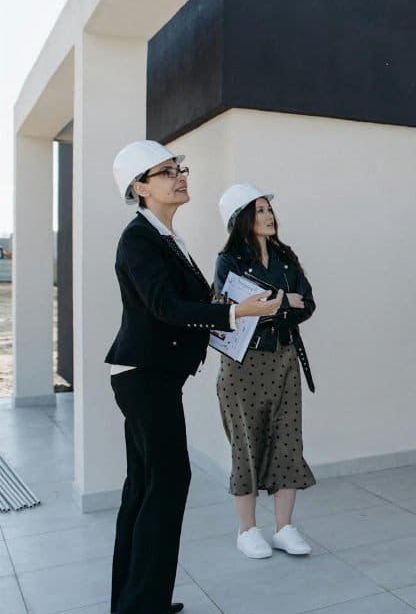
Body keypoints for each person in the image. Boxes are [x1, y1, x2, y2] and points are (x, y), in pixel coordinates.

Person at [106, 141, 281, 614]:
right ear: (141, 187)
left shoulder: (166, 238)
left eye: (179, 168)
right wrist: (234, 313)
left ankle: (136, 603)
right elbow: (165, 307)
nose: (180, 176)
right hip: (145, 376)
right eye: (166, 172)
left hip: (152, 376)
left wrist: (229, 307)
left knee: (144, 488)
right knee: (166, 482)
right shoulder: (139, 238)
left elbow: (188, 303)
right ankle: (142, 605)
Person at [213, 184, 318, 559]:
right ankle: (247, 530)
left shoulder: (286, 256)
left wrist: (273, 307)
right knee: (247, 444)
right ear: (241, 218)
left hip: (285, 358)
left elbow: (308, 304)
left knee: (288, 442)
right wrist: (285, 301)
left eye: (269, 209)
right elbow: (235, 308)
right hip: (244, 364)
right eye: (259, 210)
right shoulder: (229, 260)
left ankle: (284, 528)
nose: (269, 215)